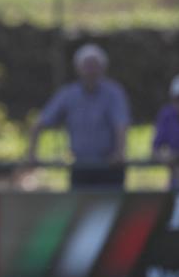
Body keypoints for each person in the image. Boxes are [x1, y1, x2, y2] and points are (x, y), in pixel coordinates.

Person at [27, 44, 131, 189]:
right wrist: (32, 153)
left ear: (103, 68)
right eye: (87, 66)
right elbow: (40, 122)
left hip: (109, 167)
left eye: (94, 66)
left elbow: (121, 124)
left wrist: (120, 152)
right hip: (80, 167)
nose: (91, 71)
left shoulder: (114, 93)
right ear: (78, 68)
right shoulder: (69, 94)